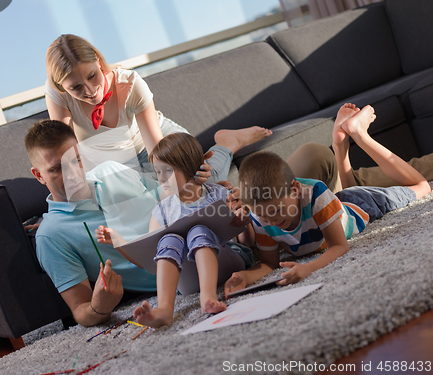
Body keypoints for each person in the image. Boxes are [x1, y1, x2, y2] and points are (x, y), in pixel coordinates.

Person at [224, 104, 431, 297]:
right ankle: (340, 146)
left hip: (361, 204)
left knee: (423, 186)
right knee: (344, 194)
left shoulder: (315, 193)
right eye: (262, 216)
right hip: (334, 208)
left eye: (276, 211)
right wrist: (246, 276)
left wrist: (308, 268)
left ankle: (360, 135)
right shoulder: (262, 215)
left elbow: (339, 247)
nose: (271, 221)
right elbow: (269, 264)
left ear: (295, 189)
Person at [45, 34, 272, 183]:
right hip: (118, 160)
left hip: (158, 141)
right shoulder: (58, 94)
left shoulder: (131, 84)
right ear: (61, 87)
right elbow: (65, 155)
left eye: (92, 75)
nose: (90, 90)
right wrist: (61, 211)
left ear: (97, 59)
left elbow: (156, 149)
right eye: (76, 87)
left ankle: (226, 143)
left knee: (197, 186)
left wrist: (178, 180)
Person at [95, 133, 255, 328]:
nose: (161, 178)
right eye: (158, 172)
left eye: (167, 171)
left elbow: (248, 242)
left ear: (189, 167)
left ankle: (208, 297)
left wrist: (244, 220)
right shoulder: (161, 211)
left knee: (198, 231)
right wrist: (118, 242)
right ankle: (164, 310)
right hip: (188, 281)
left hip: (228, 265)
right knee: (168, 239)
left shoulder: (220, 194)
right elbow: (152, 262)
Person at [26, 119, 166, 327]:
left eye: (76, 160)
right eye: (57, 169)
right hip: (179, 276)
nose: (73, 175)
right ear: (39, 175)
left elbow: (170, 198)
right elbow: (81, 311)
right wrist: (98, 307)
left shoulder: (112, 169)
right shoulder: (51, 236)